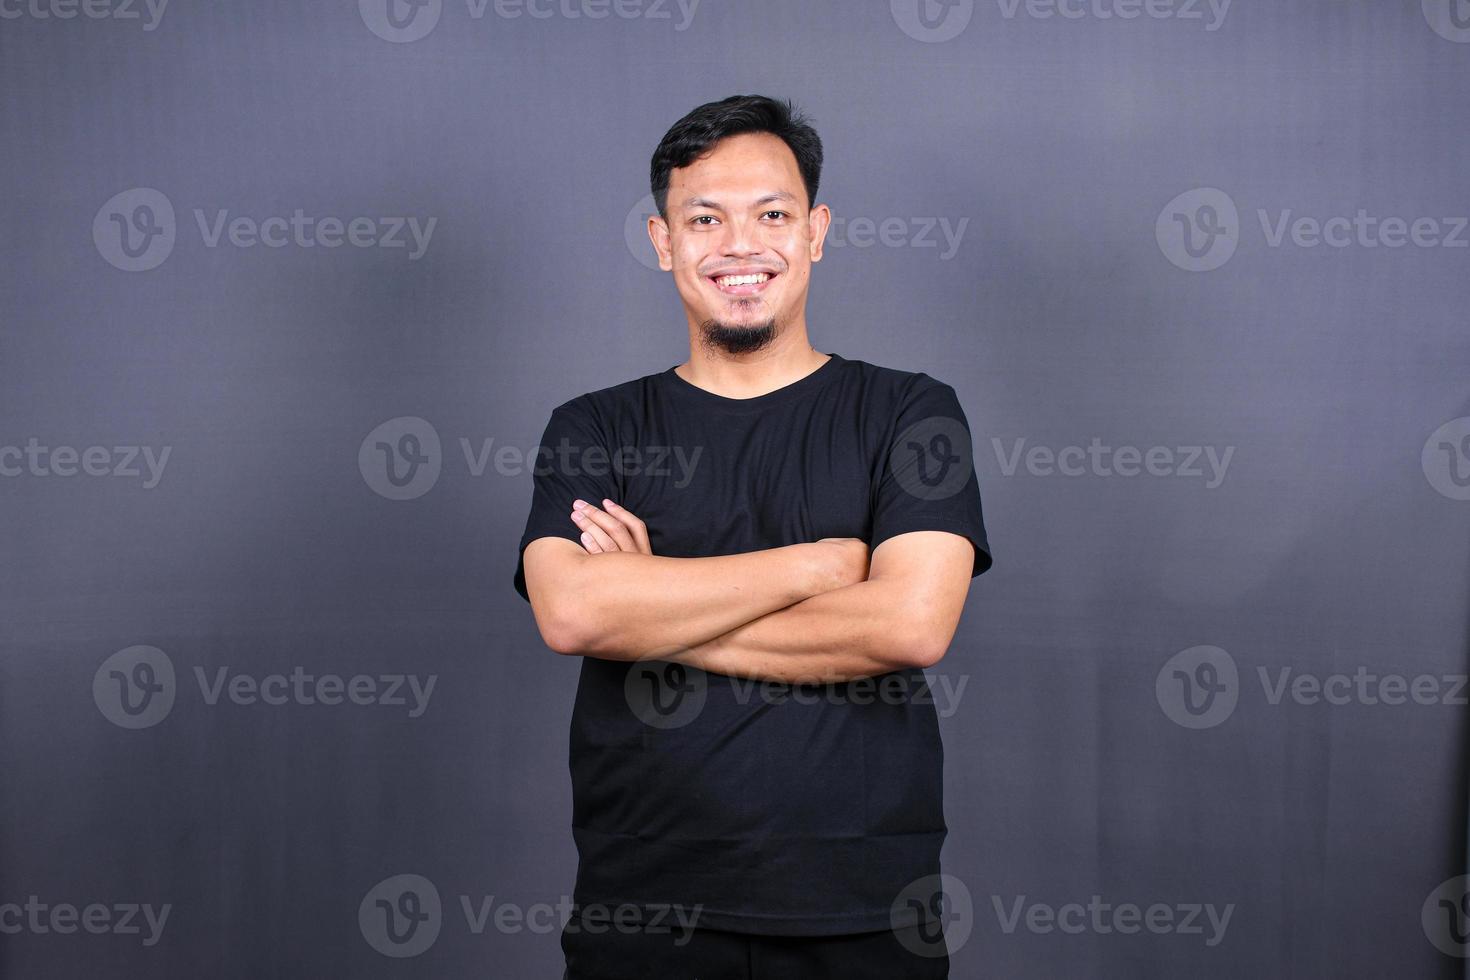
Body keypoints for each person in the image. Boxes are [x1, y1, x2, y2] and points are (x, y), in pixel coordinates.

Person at [513, 93, 993, 979]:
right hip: (642, 909)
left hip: (862, 908)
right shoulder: (594, 427)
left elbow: (908, 627)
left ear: (816, 231)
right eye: (705, 218)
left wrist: (655, 603)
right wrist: (816, 566)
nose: (741, 245)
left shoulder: (911, 413)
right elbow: (575, 614)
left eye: (772, 214)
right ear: (664, 243)